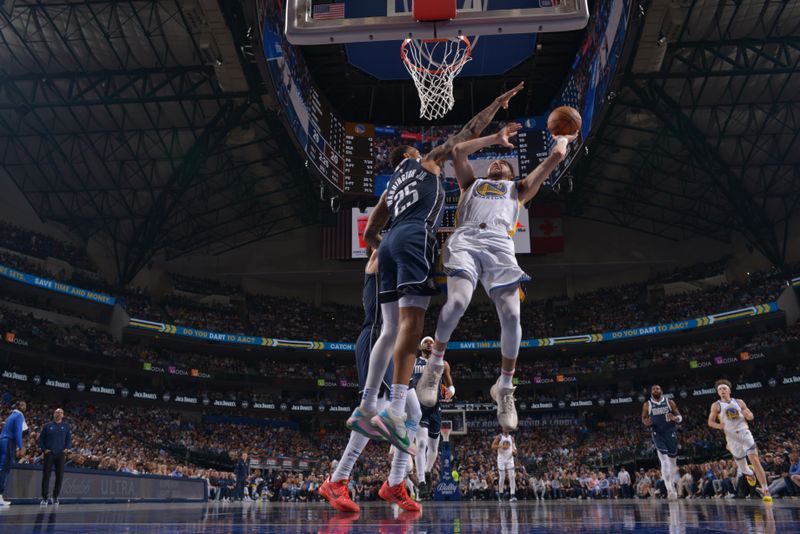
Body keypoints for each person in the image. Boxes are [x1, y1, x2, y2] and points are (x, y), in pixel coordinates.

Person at [349, 84, 525, 508]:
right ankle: (388, 406)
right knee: (408, 327)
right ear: (411, 157)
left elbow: (371, 234)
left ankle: (370, 404)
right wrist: (496, 120)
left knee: (388, 330)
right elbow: (463, 137)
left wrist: (379, 255)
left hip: (388, 243)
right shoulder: (424, 163)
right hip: (411, 241)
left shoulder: (390, 190)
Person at [420, 123, 576, 429]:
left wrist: (563, 138)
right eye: (494, 161)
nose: (497, 162)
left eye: (503, 162)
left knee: (511, 316)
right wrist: (496, 138)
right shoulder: (471, 184)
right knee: (457, 302)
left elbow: (555, 157)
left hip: (499, 244)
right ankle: (434, 365)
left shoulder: (519, 189)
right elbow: (458, 150)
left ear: (510, 172)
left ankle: (504, 386)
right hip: (465, 238)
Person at [320, 250, 421, 513]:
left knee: (414, 411)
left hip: (395, 344)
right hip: (376, 338)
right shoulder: (377, 260)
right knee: (373, 409)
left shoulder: (399, 269)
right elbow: (379, 245)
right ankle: (337, 479)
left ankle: (395, 483)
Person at [707, 379, 771, 502]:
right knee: (743, 467)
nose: (722, 390)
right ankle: (750, 473)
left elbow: (750, 415)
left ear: (729, 390)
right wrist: (718, 426)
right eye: (720, 389)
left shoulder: (739, 402)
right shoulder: (716, 405)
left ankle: (765, 490)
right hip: (731, 437)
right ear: (717, 392)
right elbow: (710, 422)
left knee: (755, 460)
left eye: (724, 388)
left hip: (744, 432)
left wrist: (748, 415)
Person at [412, 336, 454, 497]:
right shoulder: (414, 362)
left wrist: (451, 391)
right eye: (426, 341)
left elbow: (450, 385)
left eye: (431, 341)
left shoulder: (442, 363)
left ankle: (427, 471)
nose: (429, 343)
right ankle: (421, 481)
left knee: (433, 447)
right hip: (418, 407)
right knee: (421, 443)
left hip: (435, 408)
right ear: (419, 346)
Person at [641, 384, 682, 499]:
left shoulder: (670, 402)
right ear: (651, 392)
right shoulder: (647, 404)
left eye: (657, 388)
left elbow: (679, 416)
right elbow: (643, 418)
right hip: (657, 433)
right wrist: (646, 422)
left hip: (670, 432)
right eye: (653, 389)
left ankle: (672, 484)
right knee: (664, 460)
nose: (655, 390)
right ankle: (669, 489)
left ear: (661, 390)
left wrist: (675, 418)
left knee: (673, 462)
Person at [39, 408, 71, 506]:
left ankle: (55, 497)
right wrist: (44, 450)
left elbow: (68, 439)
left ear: (63, 415)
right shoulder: (47, 426)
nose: (58, 414)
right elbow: (41, 439)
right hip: (49, 454)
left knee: (59, 477)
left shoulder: (66, 426)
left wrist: (66, 448)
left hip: (60, 454)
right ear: (53, 414)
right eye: (57, 412)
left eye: (60, 412)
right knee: (46, 476)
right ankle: (45, 498)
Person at [0, 400, 26, 506]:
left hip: (2, 440)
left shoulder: (11, 415)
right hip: (9, 442)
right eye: (24, 405)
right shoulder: (19, 415)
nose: (25, 407)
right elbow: (17, 432)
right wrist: (21, 446)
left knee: (1, 467)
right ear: (19, 406)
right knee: (4, 469)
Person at [492, 429, 517, 501]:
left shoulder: (512, 438)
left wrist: (514, 452)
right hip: (501, 459)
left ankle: (512, 495)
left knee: (512, 477)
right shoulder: (499, 437)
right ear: (502, 428)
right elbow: (493, 446)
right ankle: (501, 494)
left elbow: (515, 449)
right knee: (502, 477)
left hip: (510, 459)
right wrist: (501, 446)